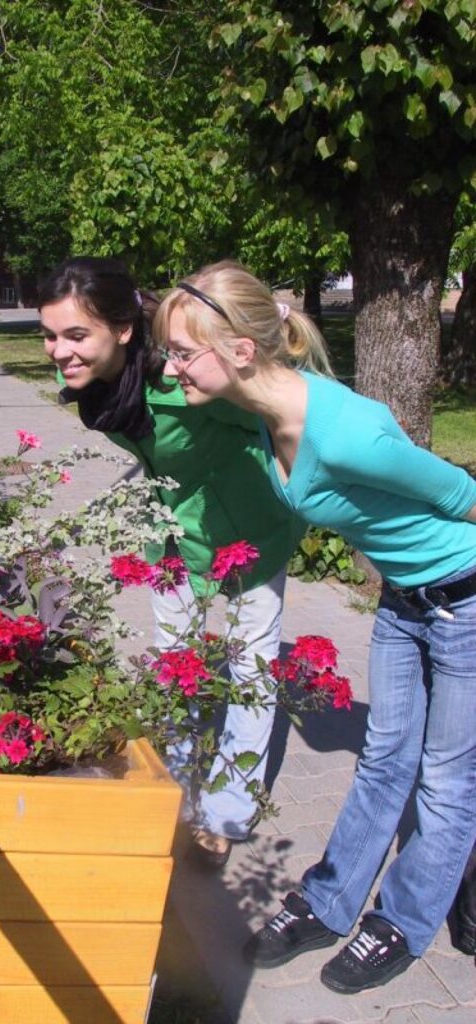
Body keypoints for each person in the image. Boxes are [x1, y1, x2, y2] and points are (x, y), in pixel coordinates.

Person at [153, 259, 476, 994]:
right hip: (405, 599)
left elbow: (461, 494)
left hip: (466, 598)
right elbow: (149, 408)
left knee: (447, 780)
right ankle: (330, 901)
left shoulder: (349, 434)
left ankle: (402, 920)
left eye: (182, 352)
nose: (172, 369)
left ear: (241, 350)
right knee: (385, 759)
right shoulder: (260, 413)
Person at [37, 257, 304, 867]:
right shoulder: (98, 379)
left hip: (247, 532)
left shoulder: (188, 377)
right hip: (172, 534)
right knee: (174, 662)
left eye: (75, 335)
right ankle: (174, 789)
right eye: (50, 335)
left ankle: (227, 814)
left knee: (250, 669)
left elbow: (282, 407)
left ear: (123, 329)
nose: (59, 351)